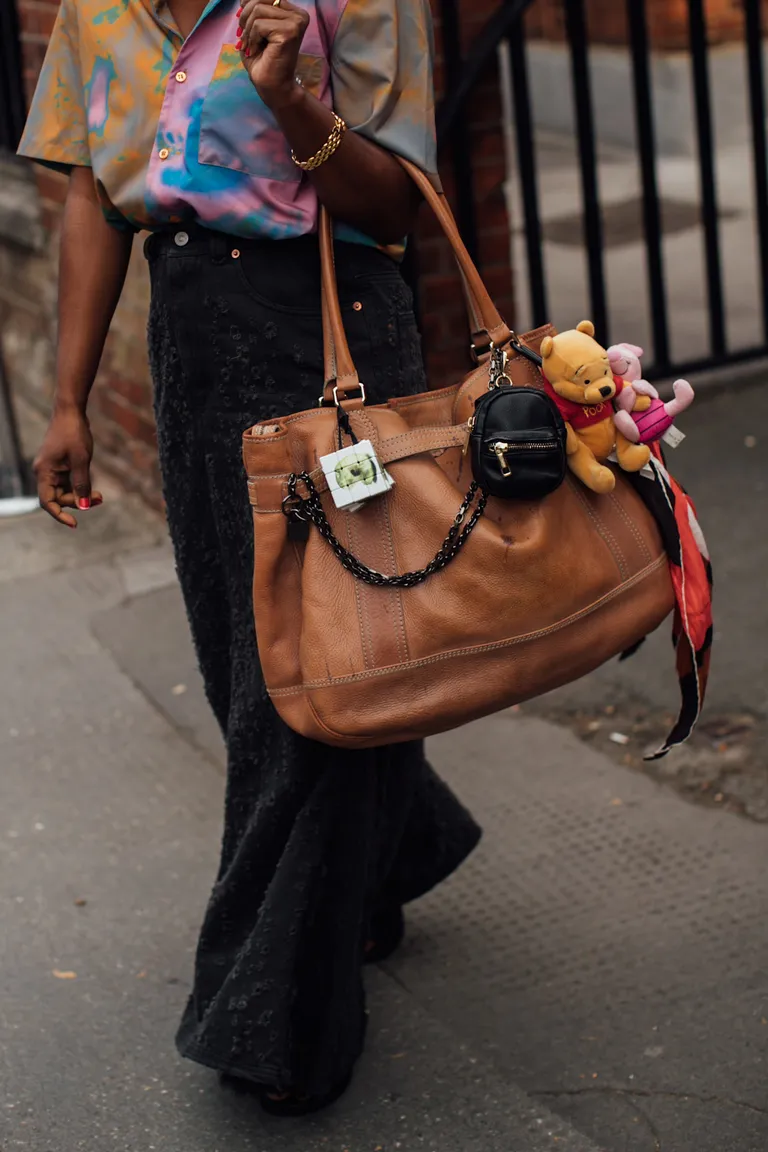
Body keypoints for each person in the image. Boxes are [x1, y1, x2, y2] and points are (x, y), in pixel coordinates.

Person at [19, 0, 481, 1116]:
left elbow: (402, 206)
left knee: (313, 674)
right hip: (191, 343)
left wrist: (290, 99)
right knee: (249, 657)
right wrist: (69, 399)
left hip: (323, 335)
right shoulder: (99, 8)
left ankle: (276, 1019)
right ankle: (386, 852)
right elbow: (94, 191)